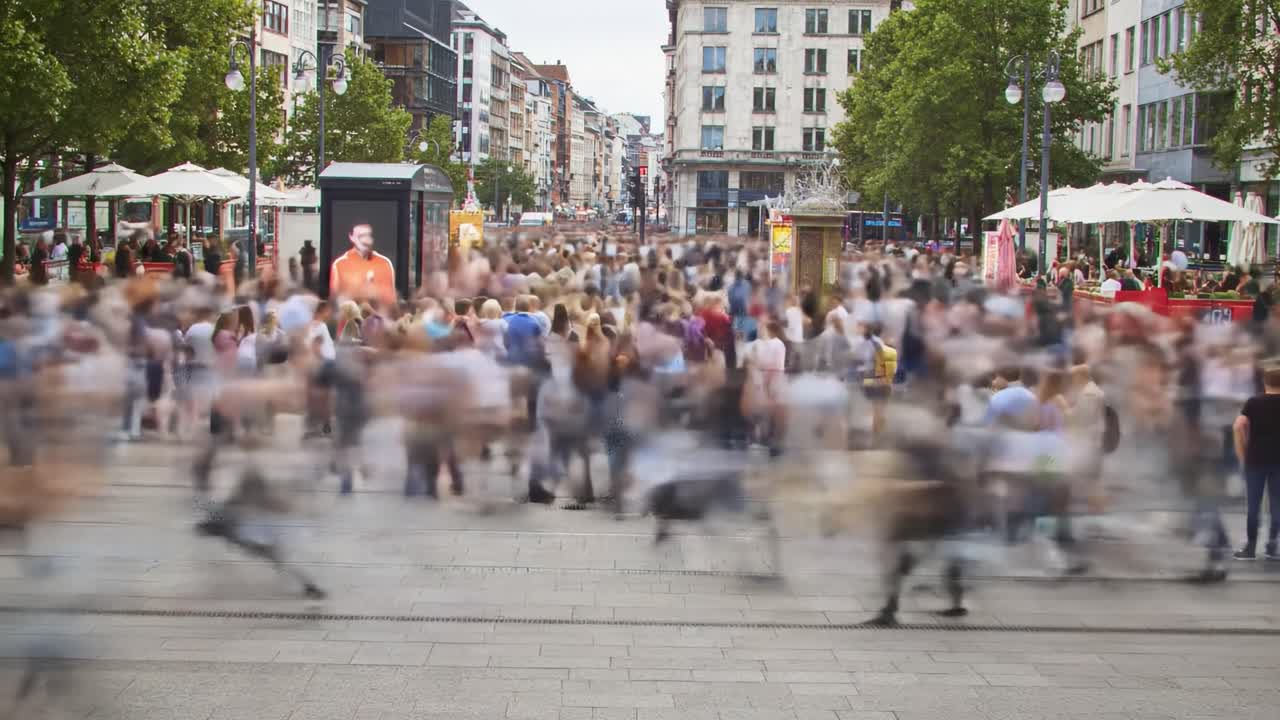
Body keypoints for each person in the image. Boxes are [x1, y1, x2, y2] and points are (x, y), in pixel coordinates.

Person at [1232, 366, 1280, 560]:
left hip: (1256, 459)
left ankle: (1250, 548)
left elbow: (1238, 425)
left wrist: (1242, 450)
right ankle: (1272, 546)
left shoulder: (1254, 402)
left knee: (1254, 505)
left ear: (1264, 382)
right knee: (1277, 504)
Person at [330, 223, 395, 304]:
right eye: (361, 236)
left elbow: (391, 301)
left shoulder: (385, 263)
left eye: (368, 235)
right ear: (351, 237)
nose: (365, 240)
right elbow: (335, 300)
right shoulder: (339, 264)